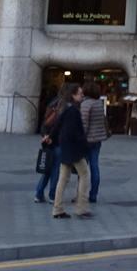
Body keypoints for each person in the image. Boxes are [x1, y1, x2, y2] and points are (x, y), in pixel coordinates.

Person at [46, 83, 92, 220]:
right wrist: (85, 144)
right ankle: (81, 207)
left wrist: (51, 137)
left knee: (63, 178)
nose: (82, 96)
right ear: (73, 95)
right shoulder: (74, 111)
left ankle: (57, 208)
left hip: (65, 147)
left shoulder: (66, 108)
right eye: (80, 93)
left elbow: (57, 124)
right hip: (74, 149)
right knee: (84, 174)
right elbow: (74, 132)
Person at [35, 86, 68, 203]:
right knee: (55, 170)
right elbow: (61, 126)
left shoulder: (52, 103)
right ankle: (52, 195)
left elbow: (45, 123)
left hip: (47, 140)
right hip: (57, 141)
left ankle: (39, 193)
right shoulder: (64, 106)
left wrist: (45, 136)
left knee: (47, 169)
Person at [80, 80, 108, 205]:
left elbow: (84, 124)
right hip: (97, 139)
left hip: (86, 140)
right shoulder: (99, 104)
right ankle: (93, 194)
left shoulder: (86, 104)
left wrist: (80, 137)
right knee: (95, 166)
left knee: (82, 169)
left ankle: (81, 194)